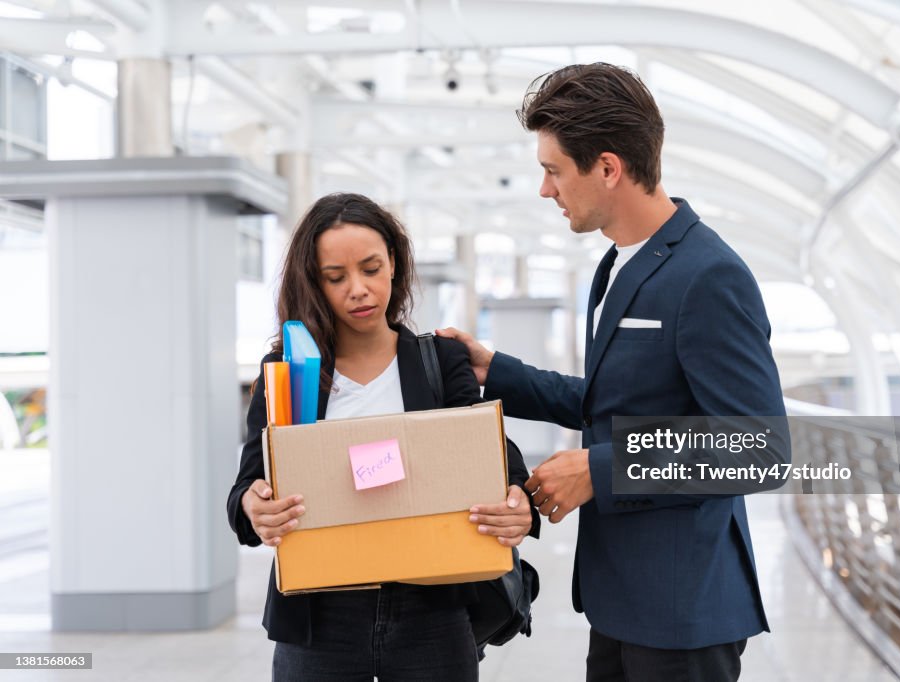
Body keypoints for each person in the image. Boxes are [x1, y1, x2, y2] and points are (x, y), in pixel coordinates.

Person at [437, 63, 788, 681]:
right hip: (621, 599)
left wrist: (600, 469)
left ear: (606, 167)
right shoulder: (617, 265)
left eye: (552, 170)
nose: (546, 190)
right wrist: (498, 372)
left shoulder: (709, 276)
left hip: (684, 612)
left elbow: (759, 449)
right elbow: (618, 402)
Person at [226, 193, 538, 681]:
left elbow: (491, 449)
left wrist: (518, 498)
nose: (358, 290)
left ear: (394, 263)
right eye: (336, 277)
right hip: (319, 617)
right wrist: (253, 505)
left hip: (431, 614)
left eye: (371, 268)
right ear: (314, 282)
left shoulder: (439, 362)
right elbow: (248, 482)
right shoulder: (288, 372)